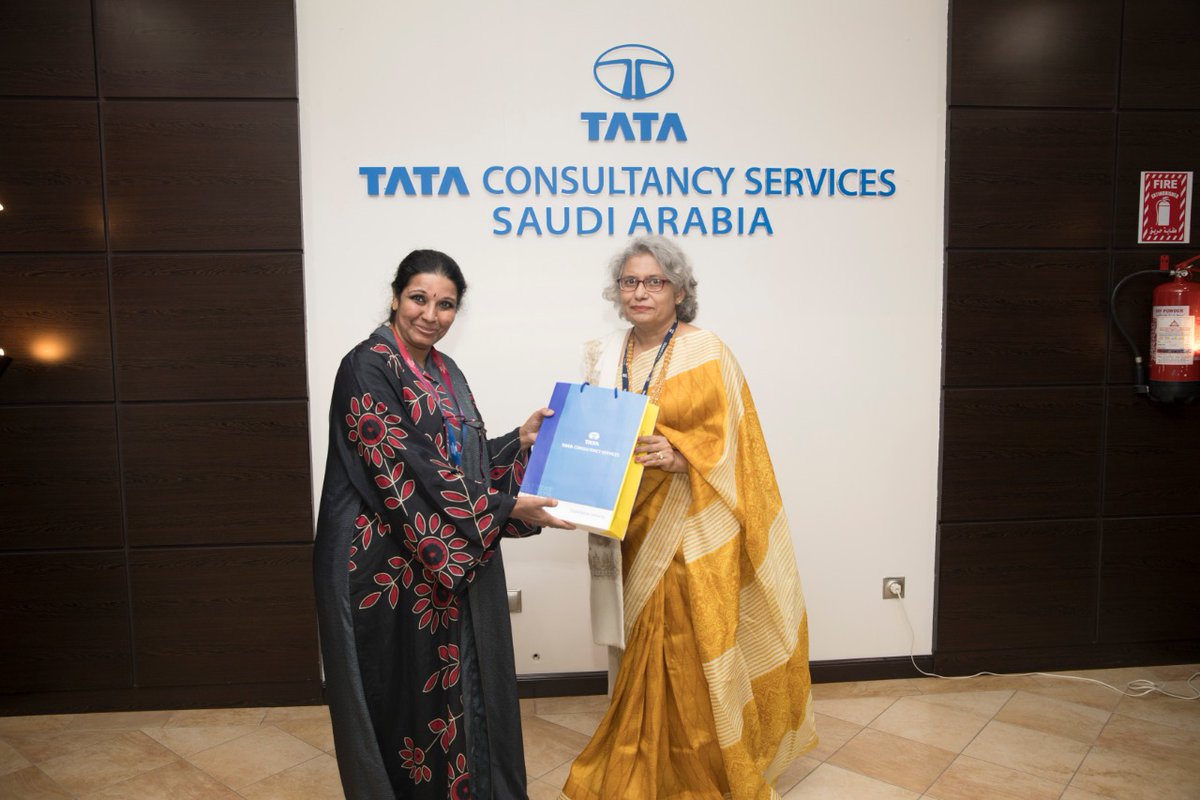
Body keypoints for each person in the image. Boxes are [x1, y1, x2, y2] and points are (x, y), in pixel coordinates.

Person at [562, 236, 817, 799]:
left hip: (690, 523)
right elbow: (589, 431)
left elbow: (738, 442)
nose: (640, 292)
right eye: (630, 281)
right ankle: (638, 748)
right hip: (627, 523)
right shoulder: (603, 354)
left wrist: (681, 456)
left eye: (654, 281)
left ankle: (697, 763)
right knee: (638, 640)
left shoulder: (708, 351)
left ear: (679, 291)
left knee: (685, 637)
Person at [313, 249, 572, 800]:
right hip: (377, 562)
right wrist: (504, 507)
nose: (431, 315)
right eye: (419, 299)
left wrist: (519, 442)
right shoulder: (366, 365)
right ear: (395, 297)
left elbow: (457, 462)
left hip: (433, 553)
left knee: (455, 691)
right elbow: (403, 464)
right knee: (405, 701)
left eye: (446, 304)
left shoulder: (445, 370)